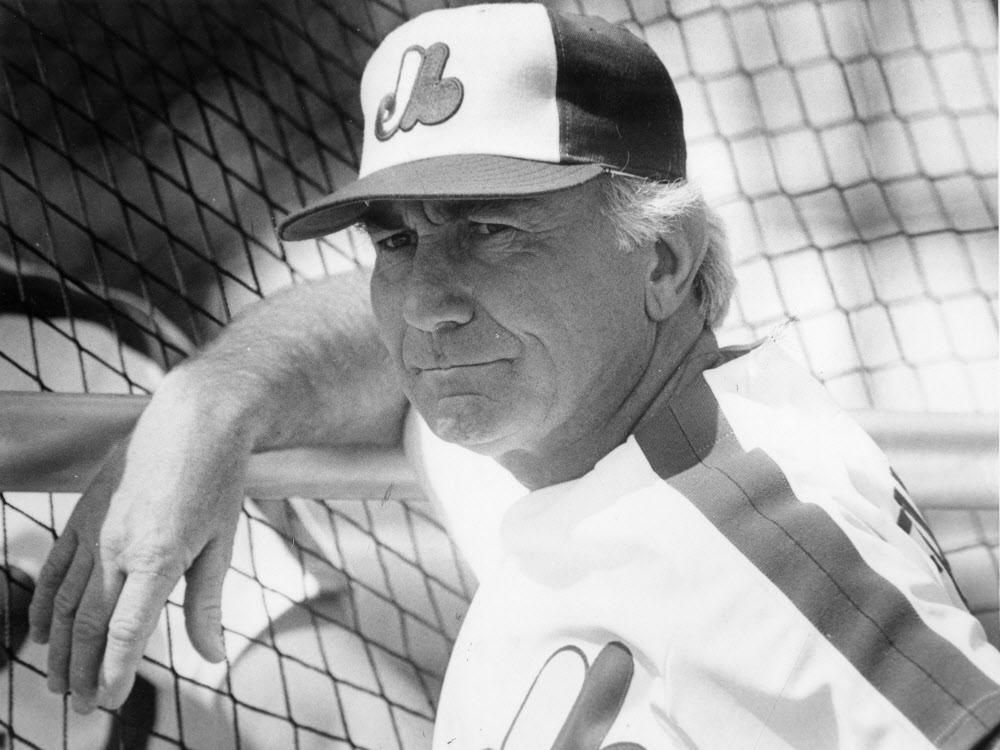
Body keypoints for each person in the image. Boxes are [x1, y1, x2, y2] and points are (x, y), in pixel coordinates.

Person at [28, 4, 1000, 748]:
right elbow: (373, 347)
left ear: (661, 261)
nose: (426, 304)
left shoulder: (738, 528)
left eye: (491, 231)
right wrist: (213, 400)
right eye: (396, 240)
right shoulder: (559, 426)